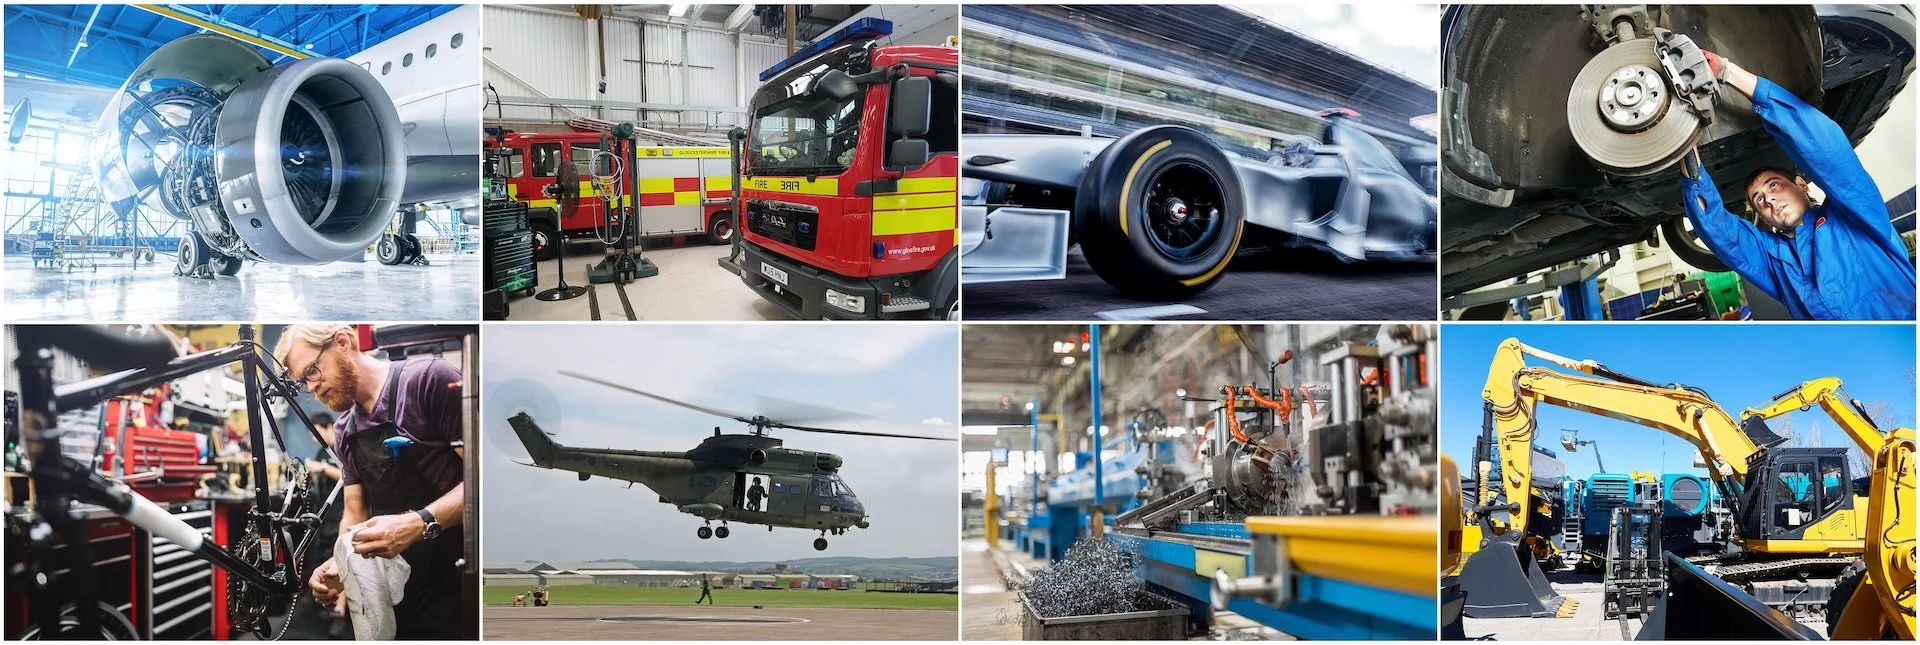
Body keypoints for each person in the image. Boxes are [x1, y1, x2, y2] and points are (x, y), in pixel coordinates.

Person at [1677, 50, 1917, 320]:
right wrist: (1680, 129)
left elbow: (1827, 152)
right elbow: (1717, 228)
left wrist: (1726, 72)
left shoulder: (1855, 216)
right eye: (1758, 200)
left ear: (1802, 184)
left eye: (1774, 186)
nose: (1767, 200)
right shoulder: (1773, 260)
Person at [277, 325, 470, 639]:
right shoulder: (345, 430)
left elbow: (482, 479)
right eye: (303, 381)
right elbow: (355, 513)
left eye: (312, 371)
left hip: (456, 585)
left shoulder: (427, 381)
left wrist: (421, 523)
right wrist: (342, 561)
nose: (312, 387)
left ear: (342, 342)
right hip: (396, 593)